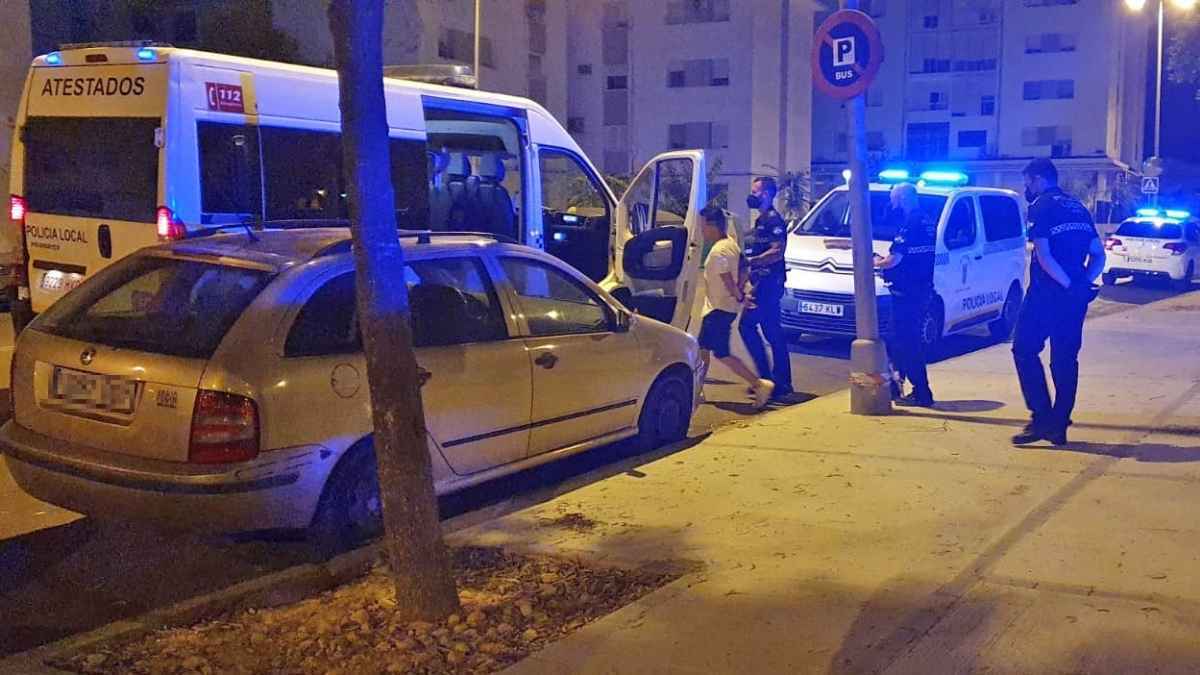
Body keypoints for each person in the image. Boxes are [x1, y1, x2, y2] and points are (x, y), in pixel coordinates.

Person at [1011, 158, 1105, 446]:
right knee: (1065, 359)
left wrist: (1067, 285)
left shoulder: (1041, 205)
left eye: (1027, 182)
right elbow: (1098, 254)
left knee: (1024, 349)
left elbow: (1043, 254)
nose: (1026, 188)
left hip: (1046, 296)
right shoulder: (1078, 207)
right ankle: (1059, 424)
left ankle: (1041, 418)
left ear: (1038, 179)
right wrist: (1081, 284)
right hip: (1074, 299)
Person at [698, 206, 775, 409]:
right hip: (720, 307)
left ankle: (759, 384)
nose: (701, 230)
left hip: (718, 309)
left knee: (721, 353)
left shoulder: (718, 251)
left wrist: (739, 295)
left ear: (712, 225)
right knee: (702, 349)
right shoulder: (730, 244)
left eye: (703, 225)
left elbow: (727, 280)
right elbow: (743, 268)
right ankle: (697, 390)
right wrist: (742, 292)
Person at [874, 182, 937, 407]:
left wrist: (876, 262)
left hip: (907, 292)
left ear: (901, 199)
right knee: (907, 341)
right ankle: (902, 385)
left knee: (904, 342)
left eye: (893, 199)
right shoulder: (927, 221)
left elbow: (895, 259)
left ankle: (921, 392)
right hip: (921, 289)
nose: (892, 204)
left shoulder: (910, 224)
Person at [739, 177, 794, 400]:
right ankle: (775, 381)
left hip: (769, 283)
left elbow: (777, 252)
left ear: (768, 194)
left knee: (749, 326)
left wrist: (752, 262)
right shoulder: (761, 220)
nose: (752, 196)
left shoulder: (773, 220)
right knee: (771, 331)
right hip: (761, 282)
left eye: (756, 192)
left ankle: (771, 381)